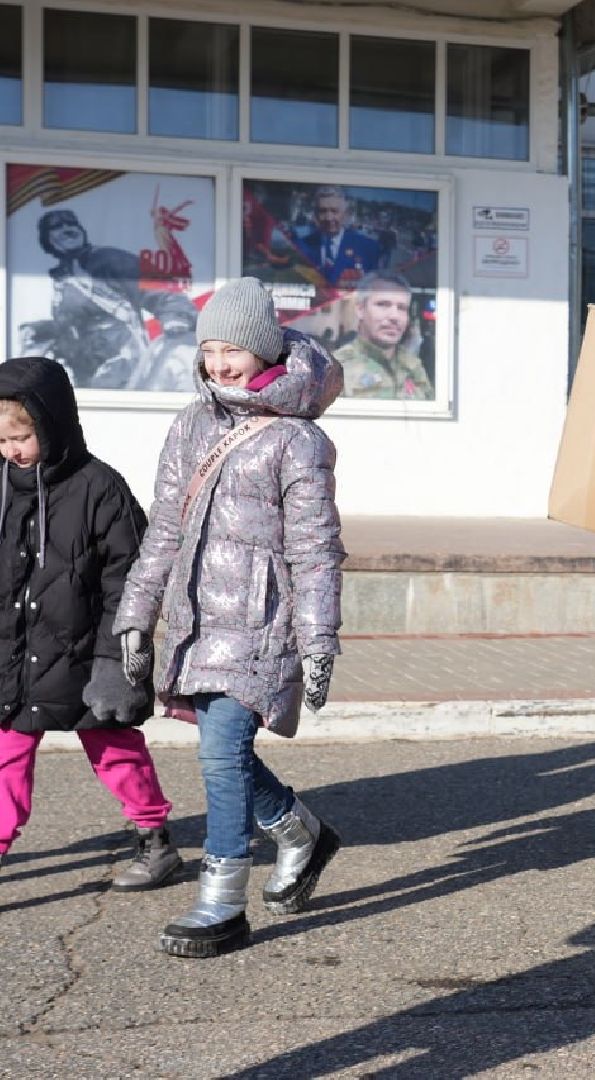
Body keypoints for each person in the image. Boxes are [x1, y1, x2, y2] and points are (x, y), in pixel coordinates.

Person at [114, 278, 346, 958]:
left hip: (262, 621)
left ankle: (221, 901)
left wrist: (319, 641)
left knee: (219, 754)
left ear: (265, 349)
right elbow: (164, 528)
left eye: (233, 350)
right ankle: (300, 833)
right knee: (228, 754)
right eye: (210, 349)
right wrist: (137, 615)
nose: (220, 364)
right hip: (195, 618)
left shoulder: (297, 439)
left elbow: (315, 549)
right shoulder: (191, 423)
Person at [0, 357, 180, 889]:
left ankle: (154, 837)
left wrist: (117, 656)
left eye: (22, 437)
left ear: (53, 423)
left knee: (114, 747)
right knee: (6, 757)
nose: (12, 450)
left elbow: (130, 577)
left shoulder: (100, 487)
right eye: (2, 440)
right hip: (14, 654)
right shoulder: (3, 487)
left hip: (85, 652)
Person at [21, 209, 196, 390]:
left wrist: (176, 314)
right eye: (57, 226)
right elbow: (79, 322)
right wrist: (44, 330)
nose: (67, 229)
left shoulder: (108, 259)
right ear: (47, 239)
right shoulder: (64, 277)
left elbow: (160, 287)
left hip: (121, 364)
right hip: (86, 372)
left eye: (71, 224)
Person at [335, 272, 433, 400]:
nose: (394, 316)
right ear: (360, 310)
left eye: (402, 308)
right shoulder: (336, 369)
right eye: (383, 305)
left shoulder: (413, 367)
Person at [297, 187, 379, 287]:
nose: (328, 218)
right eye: (322, 211)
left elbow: (373, 288)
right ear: (316, 214)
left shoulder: (367, 247)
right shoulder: (301, 246)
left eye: (334, 211)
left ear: (345, 214)